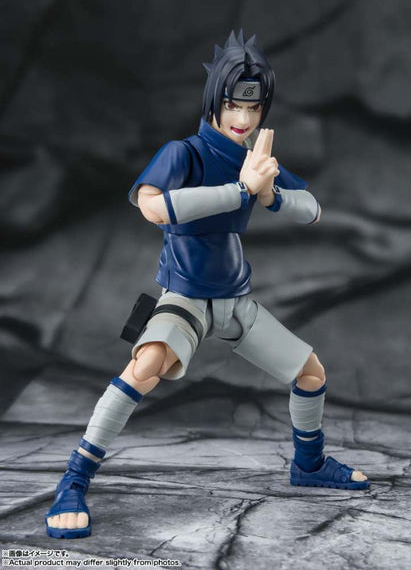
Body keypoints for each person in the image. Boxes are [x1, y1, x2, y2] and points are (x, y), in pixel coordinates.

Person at [45, 30, 369, 540]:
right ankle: (74, 479)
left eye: (254, 108)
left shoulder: (253, 158)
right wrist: (239, 190)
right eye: (233, 105)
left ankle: (308, 464)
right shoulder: (185, 153)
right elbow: (152, 207)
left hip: (236, 301)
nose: (243, 118)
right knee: (145, 367)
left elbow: (313, 209)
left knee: (310, 374)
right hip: (186, 297)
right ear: (215, 102)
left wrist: (270, 196)